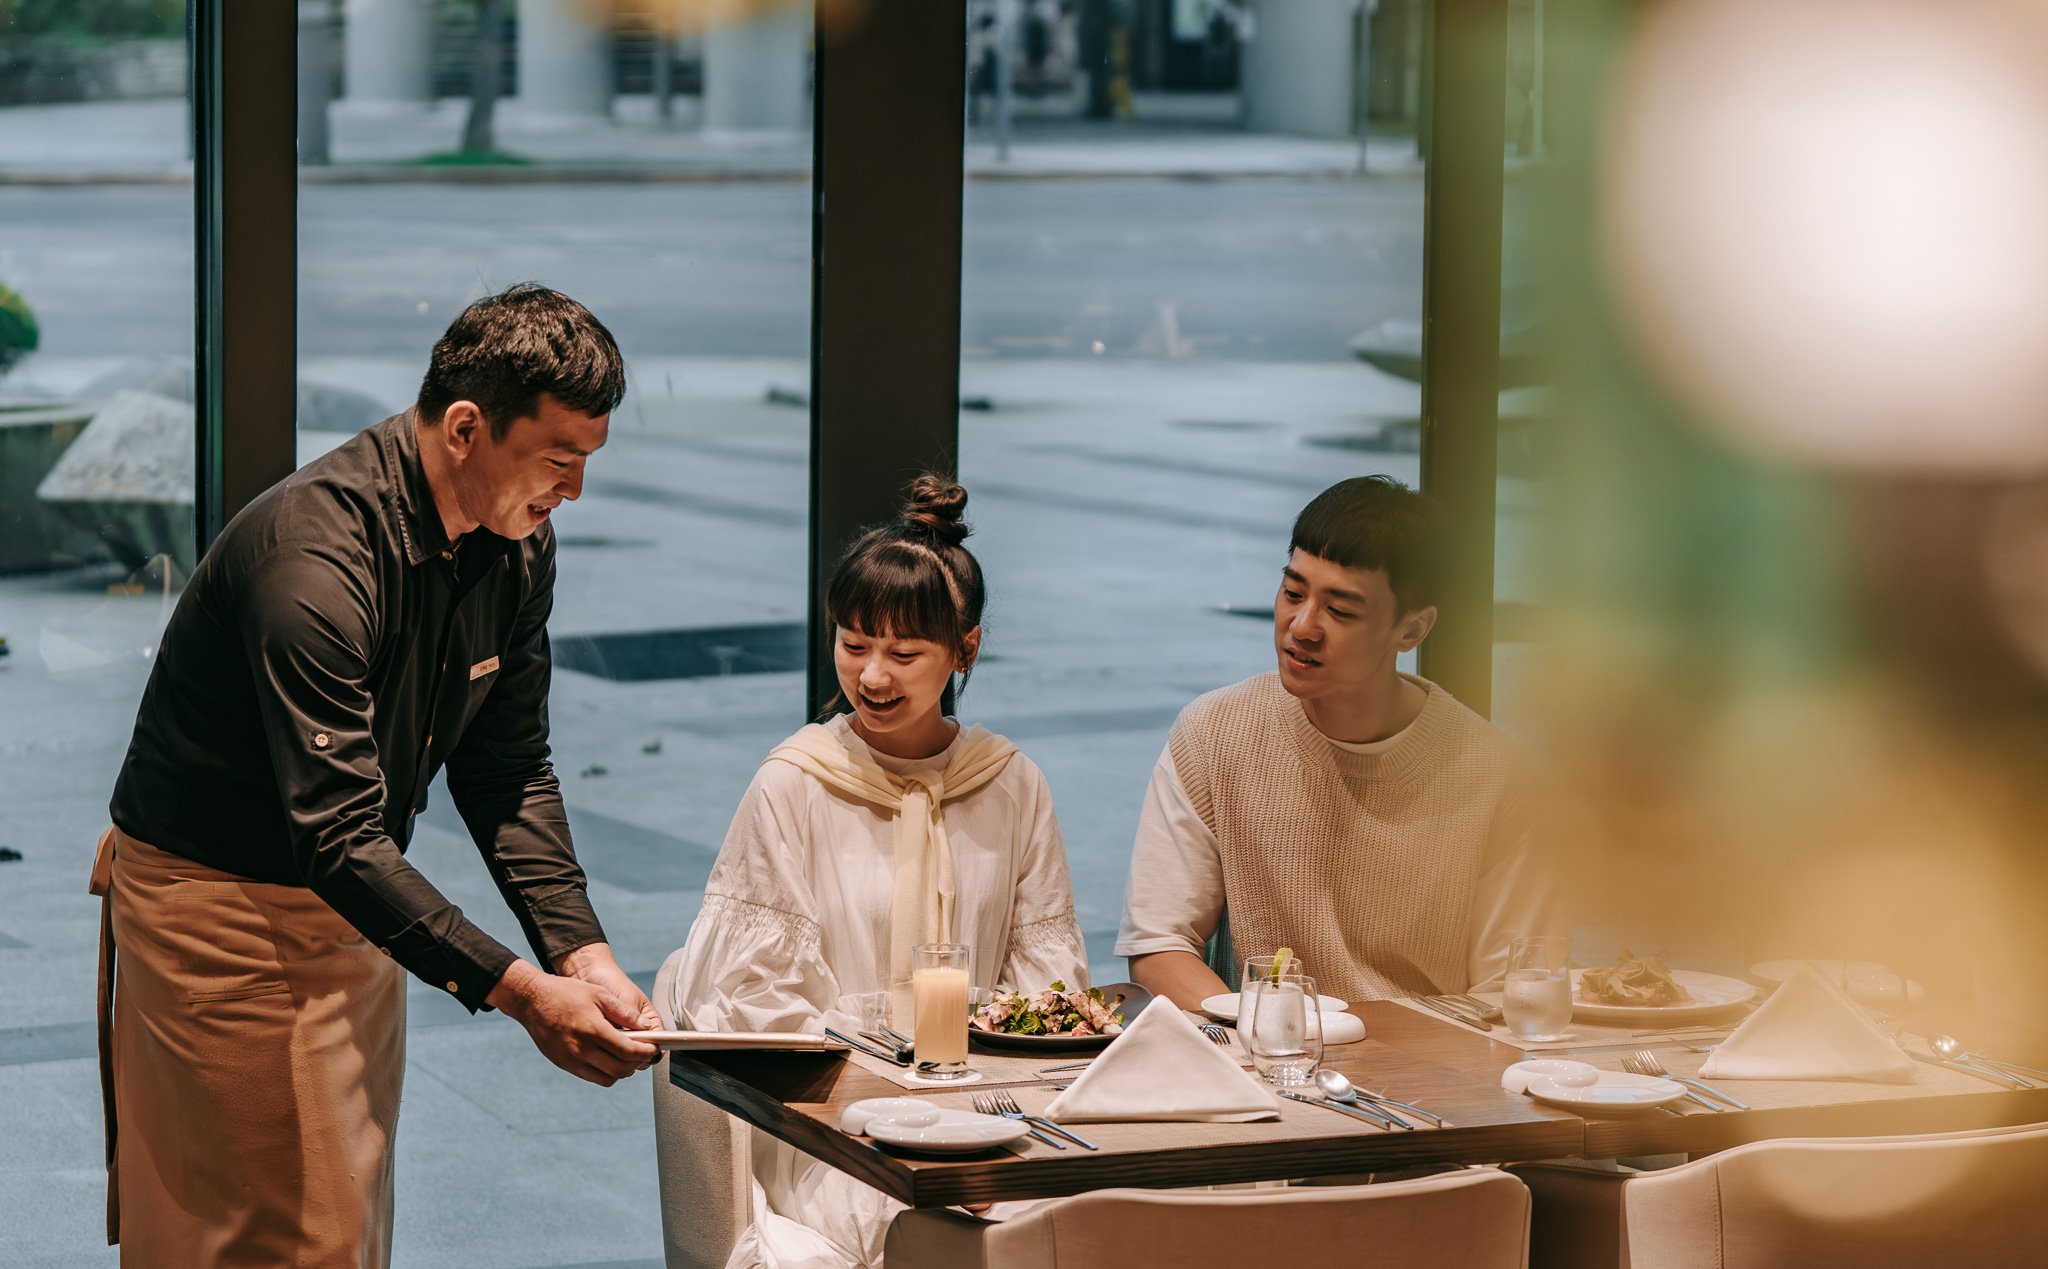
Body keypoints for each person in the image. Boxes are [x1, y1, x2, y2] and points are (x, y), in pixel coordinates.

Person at [91, 283, 661, 1267]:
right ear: (467, 428)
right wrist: (519, 991)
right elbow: (336, 832)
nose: (572, 490)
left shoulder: (516, 544)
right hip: (214, 912)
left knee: (338, 1227)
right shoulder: (312, 557)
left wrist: (581, 954)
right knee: (234, 1236)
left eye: (587, 462)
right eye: (558, 459)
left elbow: (507, 764)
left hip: (349, 902)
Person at [669, 475, 1087, 1269]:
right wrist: (891, 1106)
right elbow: (756, 1003)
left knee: (1075, 1220)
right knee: (928, 1228)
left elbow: (1046, 992)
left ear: (965, 650)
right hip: (838, 1129)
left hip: (987, 1114)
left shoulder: (1011, 784)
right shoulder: (794, 782)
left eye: (904, 652)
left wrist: (977, 1117)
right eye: (854, 643)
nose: (871, 675)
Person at [1117, 475, 1561, 1010]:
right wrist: (1276, 1031)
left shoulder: (1493, 774)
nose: (1302, 627)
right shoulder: (1215, 733)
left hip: (1432, 1050)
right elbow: (1159, 947)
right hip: (1261, 1046)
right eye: (1292, 593)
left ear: (1411, 630)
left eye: (1341, 611)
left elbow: (1513, 987)